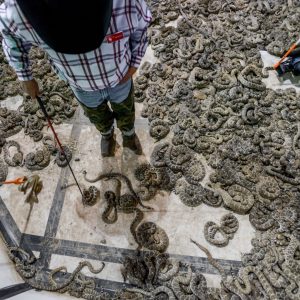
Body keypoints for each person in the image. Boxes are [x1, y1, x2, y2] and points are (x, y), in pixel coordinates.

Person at [0, 0, 152, 156]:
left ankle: (129, 135)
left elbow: (140, 31)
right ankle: (107, 134)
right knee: (97, 115)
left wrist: (133, 67)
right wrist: (26, 77)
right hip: (81, 86)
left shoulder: (125, 3)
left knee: (125, 110)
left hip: (120, 79)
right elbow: (12, 40)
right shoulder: (17, 12)